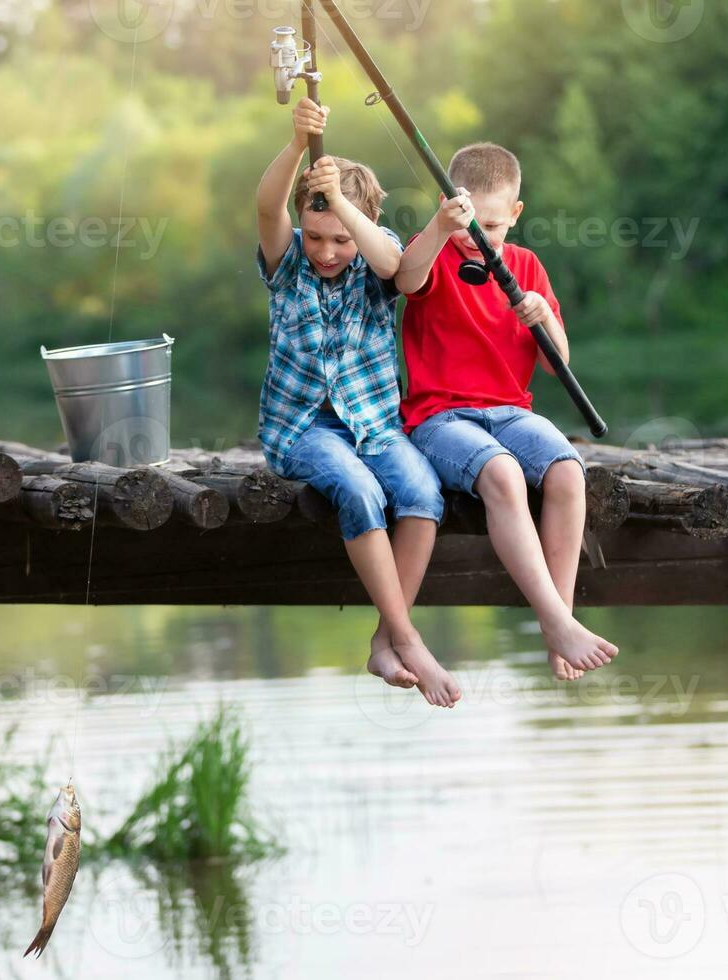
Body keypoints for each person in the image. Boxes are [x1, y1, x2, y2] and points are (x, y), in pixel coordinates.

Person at [256, 97, 459, 707]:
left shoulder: (375, 258)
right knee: (361, 491)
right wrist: (297, 144)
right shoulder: (288, 259)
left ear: (361, 223)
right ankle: (406, 636)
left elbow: (396, 264)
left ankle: (381, 640)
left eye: (339, 238)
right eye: (316, 235)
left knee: (423, 492)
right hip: (302, 429)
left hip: (374, 424)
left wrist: (342, 206)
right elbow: (268, 205)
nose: (325, 251)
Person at [396, 142, 618, 681]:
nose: (481, 240)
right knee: (503, 474)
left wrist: (543, 317)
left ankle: (558, 620)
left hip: (511, 412)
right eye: (473, 225)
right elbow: (405, 279)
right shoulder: (435, 253)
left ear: (515, 215)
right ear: (453, 209)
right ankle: (556, 621)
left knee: (568, 471)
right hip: (440, 418)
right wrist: (440, 226)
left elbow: (554, 363)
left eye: (493, 227)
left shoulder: (524, 265)